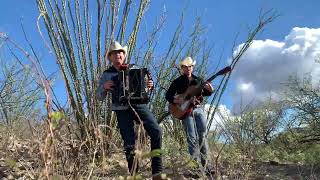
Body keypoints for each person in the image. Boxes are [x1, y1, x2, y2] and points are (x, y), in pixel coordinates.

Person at [96, 41, 163, 179]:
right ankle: (134, 174)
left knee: (156, 131)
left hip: (139, 105)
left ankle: (157, 171)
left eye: (120, 52)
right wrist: (104, 87)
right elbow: (98, 96)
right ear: (110, 57)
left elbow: (146, 83)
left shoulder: (135, 67)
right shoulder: (106, 74)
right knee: (129, 142)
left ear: (124, 55)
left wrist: (150, 84)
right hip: (121, 109)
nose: (118, 55)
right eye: (114, 53)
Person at [165, 57, 214, 176]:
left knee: (203, 135)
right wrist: (177, 100)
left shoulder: (198, 80)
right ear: (182, 68)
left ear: (193, 67)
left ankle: (207, 166)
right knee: (192, 138)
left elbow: (207, 92)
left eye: (190, 66)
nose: (188, 68)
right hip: (185, 111)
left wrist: (210, 89)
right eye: (185, 66)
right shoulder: (177, 81)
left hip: (198, 109)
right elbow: (168, 95)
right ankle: (196, 168)